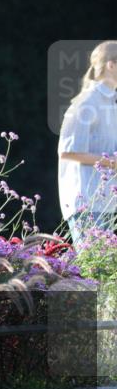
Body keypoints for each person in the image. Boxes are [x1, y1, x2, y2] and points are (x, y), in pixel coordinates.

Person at [58, 40, 117, 246]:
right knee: (96, 275)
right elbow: (67, 151)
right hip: (87, 203)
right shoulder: (87, 101)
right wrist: (112, 162)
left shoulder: (111, 102)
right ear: (111, 65)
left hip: (108, 202)